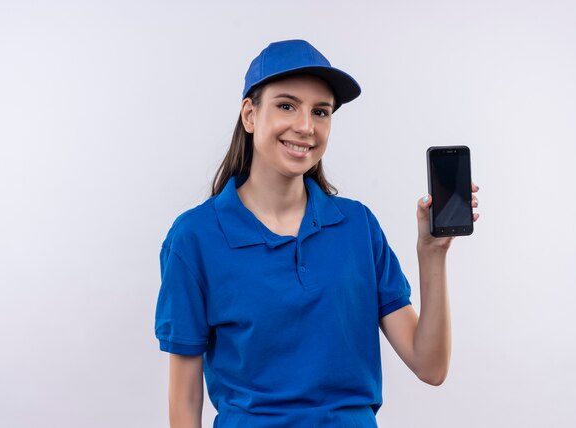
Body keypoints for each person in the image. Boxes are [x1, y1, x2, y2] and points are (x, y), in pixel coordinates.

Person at [154, 39, 479, 428]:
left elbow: (430, 365)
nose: (306, 127)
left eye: (321, 112)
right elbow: (185, 401)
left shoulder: (357, 226)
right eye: (287, 105)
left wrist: (432, 253)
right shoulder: (195, 238)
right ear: (249, 115)